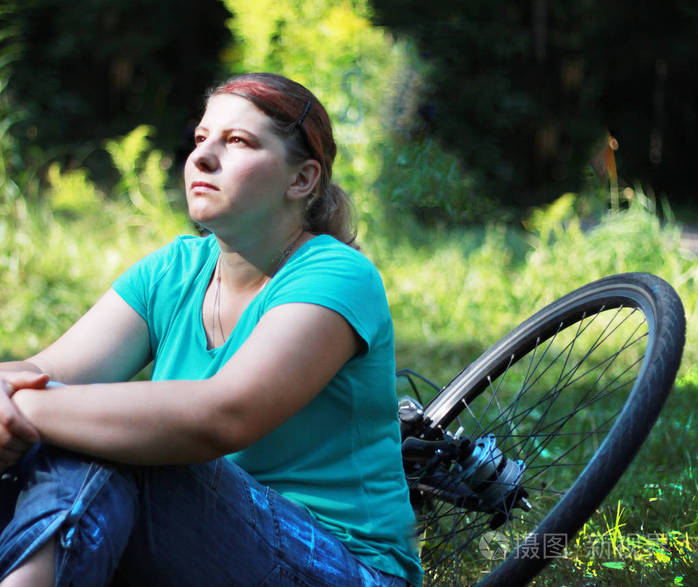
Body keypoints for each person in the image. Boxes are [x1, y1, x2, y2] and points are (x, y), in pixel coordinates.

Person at [0, 73, 423, 586]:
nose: (201, 157)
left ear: (302, 180)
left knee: (113, 442)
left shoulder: (336, 275)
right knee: (77, 433)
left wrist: (30, 410)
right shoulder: (173, 271)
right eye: (201, 139)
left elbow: (225, 416)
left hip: (342, 567)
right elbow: (44, 371)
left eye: (238, 141)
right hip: (206, 545)